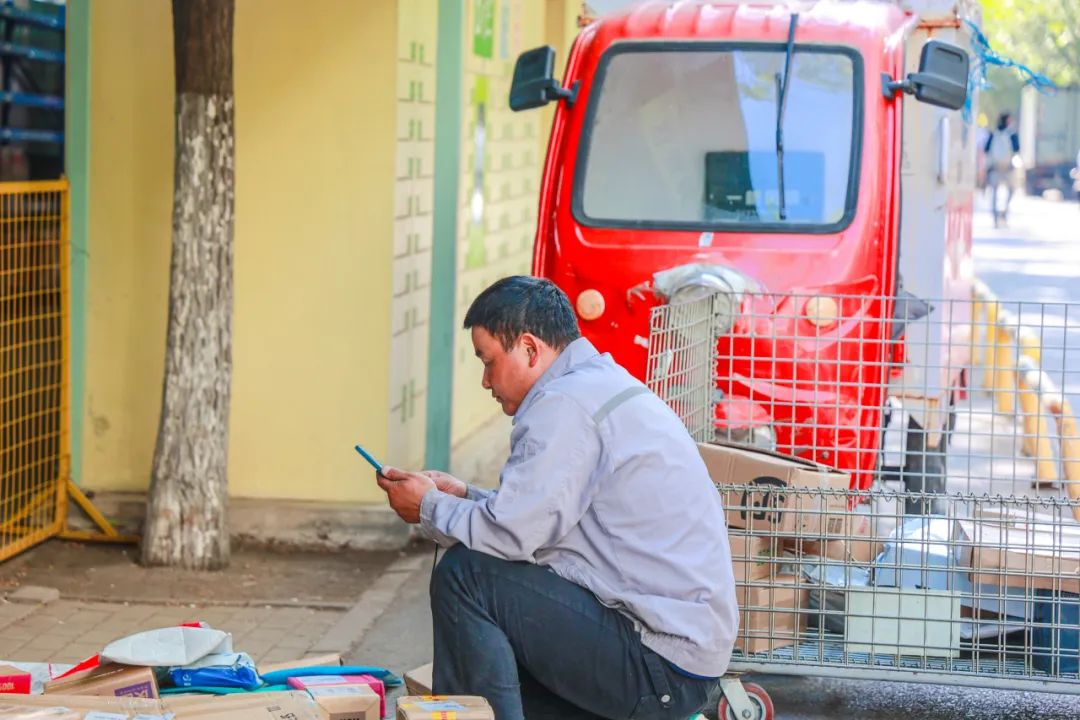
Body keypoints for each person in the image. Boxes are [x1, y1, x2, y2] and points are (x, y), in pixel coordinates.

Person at [376, 276, 738, 720]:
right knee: (496, 597)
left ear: (529, 348)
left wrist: (429, 506)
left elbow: (511, 536)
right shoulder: (596, 384)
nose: (486, 381)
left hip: (659, 666)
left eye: (488, 361)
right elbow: (542, 519)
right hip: (679, 660)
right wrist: (465, 495)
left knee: (466, 575)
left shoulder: (564, 406)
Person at [984, 111, 1020, 227]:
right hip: (1008, 167)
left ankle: (995, 217)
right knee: (1011, 190)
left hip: (994, 167)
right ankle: (1004, 213)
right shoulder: (1012, 134)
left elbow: (986, 149)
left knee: (994, 192)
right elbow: (1017, 149)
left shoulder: (993, 134)